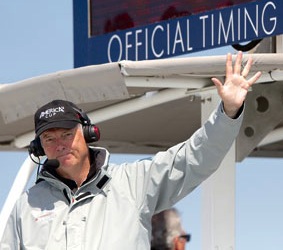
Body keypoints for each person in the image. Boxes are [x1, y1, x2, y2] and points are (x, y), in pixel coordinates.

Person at [0, 52, 262, 249]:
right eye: (49, 138)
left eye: (68, 134)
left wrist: (228, 113)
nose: (60, 144)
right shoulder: (27, 205)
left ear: (88, 134)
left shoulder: (133, 183)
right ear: (38, 148)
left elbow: (194, 158)